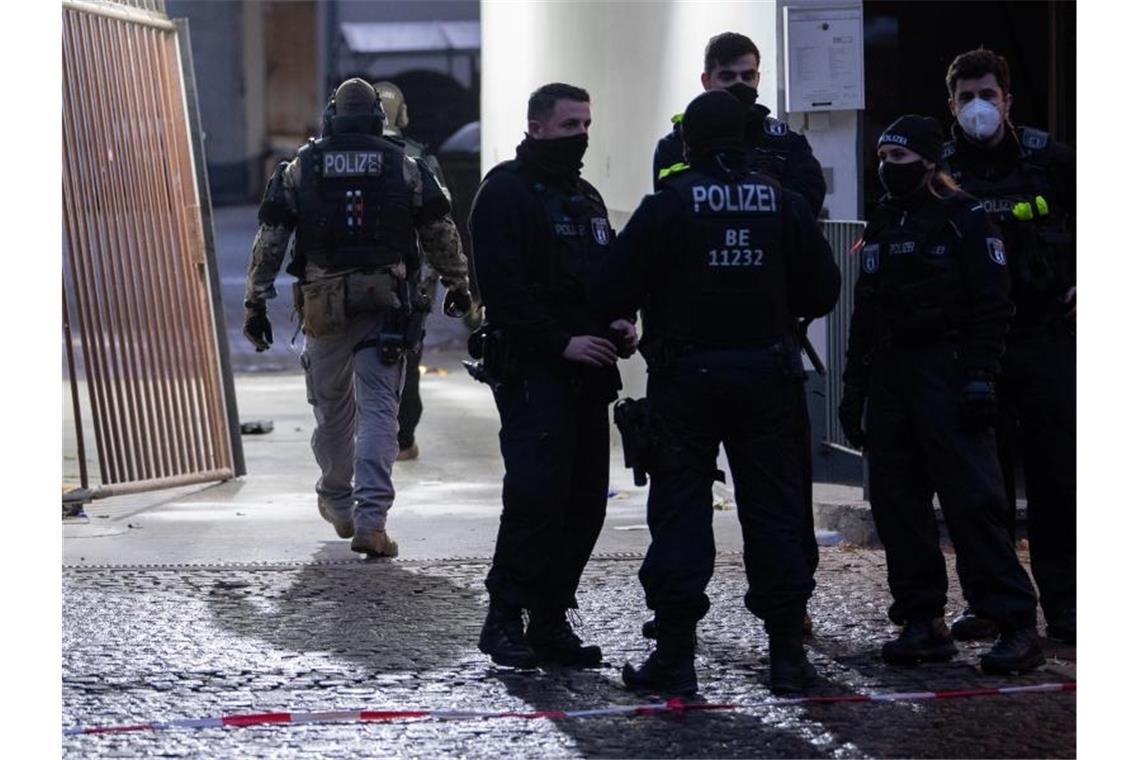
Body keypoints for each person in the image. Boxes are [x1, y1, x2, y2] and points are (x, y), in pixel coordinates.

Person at [616, 90, 840, 695]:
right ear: (746, 141)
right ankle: (788, 656)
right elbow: (823, 289)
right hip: (768, 374)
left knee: (681, 510)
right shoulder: (784, 203)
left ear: (687, 145)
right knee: (776, 510)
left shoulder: (666, 205)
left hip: (685, 378)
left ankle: (676, 656)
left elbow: (615, 282)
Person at [838, 115, 1043, 674]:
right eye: (882, 157)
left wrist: (980, 375)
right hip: (891, 377)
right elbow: (865, 313)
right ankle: (921, 620)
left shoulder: (965, 219)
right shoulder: (882, 222)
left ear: (929, 163)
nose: (887, 168)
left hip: (947, 372)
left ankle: (1015, 621)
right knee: (897, 505)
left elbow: (992, 304)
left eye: (899, 159)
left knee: (973, 503)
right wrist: (853, 390)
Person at [242, 78, 470, 556]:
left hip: (324, 305)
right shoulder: (404, 166)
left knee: (332, 411)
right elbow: (440, 232)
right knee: (381, 411)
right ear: (377, 118)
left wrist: (256, 301)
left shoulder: (301, 167)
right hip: (385, 301)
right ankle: (372, 520)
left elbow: (271, 239)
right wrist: (458, 285)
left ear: (330, 116)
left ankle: (337, 500)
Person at [651, 29, 826, 638]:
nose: (742, 88)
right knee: (685, 495)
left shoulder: (784, 142)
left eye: (750, 77)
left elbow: (808, 206)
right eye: (730, 79)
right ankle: (678, 623)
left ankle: (787, 608)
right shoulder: (678, 141)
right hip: (697, 347)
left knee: (777, 496)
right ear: (707, 81)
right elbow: (670, 213)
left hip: (766, 340)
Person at [467, 83, 634, 669]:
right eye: (569, 126)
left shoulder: (584, 196)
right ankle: (504, 616)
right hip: (534, 373)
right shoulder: (504, 194)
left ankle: (550, 618)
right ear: (537, 127)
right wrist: (561, 342)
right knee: (537, 498)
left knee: (585, 503)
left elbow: (607, 274)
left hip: (589, 376)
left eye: (586, 124)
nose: (581, 136)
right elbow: (503, 291)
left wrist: (621, 322)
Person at [940, 48, 1076, 646]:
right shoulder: (935, 167)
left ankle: (1067, 604)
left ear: (1008, 101)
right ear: (951, 103)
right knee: (979, 487)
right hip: (973, 348)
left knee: (1057, 479)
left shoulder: (1050, 160)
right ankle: (990, 601)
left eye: (988, 95)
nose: (978, 107)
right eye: (967, 96)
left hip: (1044, 335)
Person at [371, 80, 468, 462]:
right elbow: (439, 221)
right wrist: (455, 279)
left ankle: (362, 436)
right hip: (410, 277)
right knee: (406, 351)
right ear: (403, 114)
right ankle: (402, 437)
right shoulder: (418, 158)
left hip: (346, 279)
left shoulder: (330, 155)